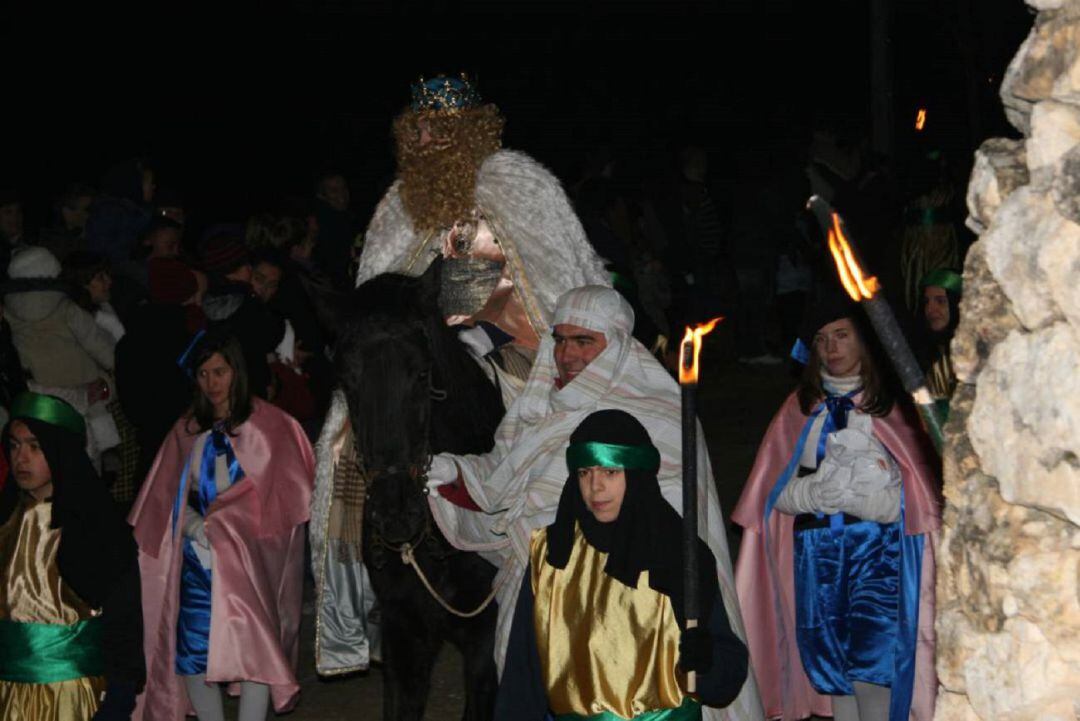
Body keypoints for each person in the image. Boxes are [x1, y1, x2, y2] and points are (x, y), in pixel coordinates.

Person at [423, 285, 763, 721]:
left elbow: (674, 514)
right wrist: (458, 473)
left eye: (584, 341)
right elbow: (503, 474)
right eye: (560, 339)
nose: (567, 354)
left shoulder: (660, 413)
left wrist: (703, 654)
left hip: (643, 619)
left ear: (617, 344)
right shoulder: (542, 405)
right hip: (555, 587)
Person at [732, 293, 940, 721]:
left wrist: (883, 502)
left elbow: (919, 491)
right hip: (817, 556)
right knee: (830, 663)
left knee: (874, 659)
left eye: (842, 335)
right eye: (822, 339)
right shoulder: (798, 410)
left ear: (866, 342)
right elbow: (770, 493)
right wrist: (807, 495)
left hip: (879, 555)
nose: (831, 348)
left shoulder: (894, 409)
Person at [357, 73, 609, 390]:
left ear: (467, 133)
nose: (421, 142)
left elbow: (547, 278)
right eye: (417, 131)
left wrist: (488, 335)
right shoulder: (402, 202)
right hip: (424, 347)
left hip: (510, 342)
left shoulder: (516, 183)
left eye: (433, 131)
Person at [496, 409, 748, 721]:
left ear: (636, 473)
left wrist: (706, 659)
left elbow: (725, 677)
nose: (595, 487)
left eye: (610, 472)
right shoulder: (553, 553)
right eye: (585, 473)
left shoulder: (676, 553)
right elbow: (524, 668)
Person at [128, 330, 314, 721]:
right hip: (197, 561)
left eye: (220, 372)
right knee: (192, 650)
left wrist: (231, 527)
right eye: (203, 374)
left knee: (253, 646)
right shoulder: (187, 429)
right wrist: (193, 524)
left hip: (249, 561)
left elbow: (280, 497)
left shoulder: (267, 425)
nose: (212, 383)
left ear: (237, 372)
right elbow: (165, 497)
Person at [0, 391, 144, 720]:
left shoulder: (96, 529)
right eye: (14, 445)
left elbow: (124, 615)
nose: (21, 458)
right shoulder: (6, 522)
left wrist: (120, 691)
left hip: (71, 694)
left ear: (59, 450)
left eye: (35, 447)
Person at [916, 268, 961, 419]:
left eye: (940, 301)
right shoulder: (920, 350)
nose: (930, 309)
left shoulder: (975, 351)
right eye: (926, 302)